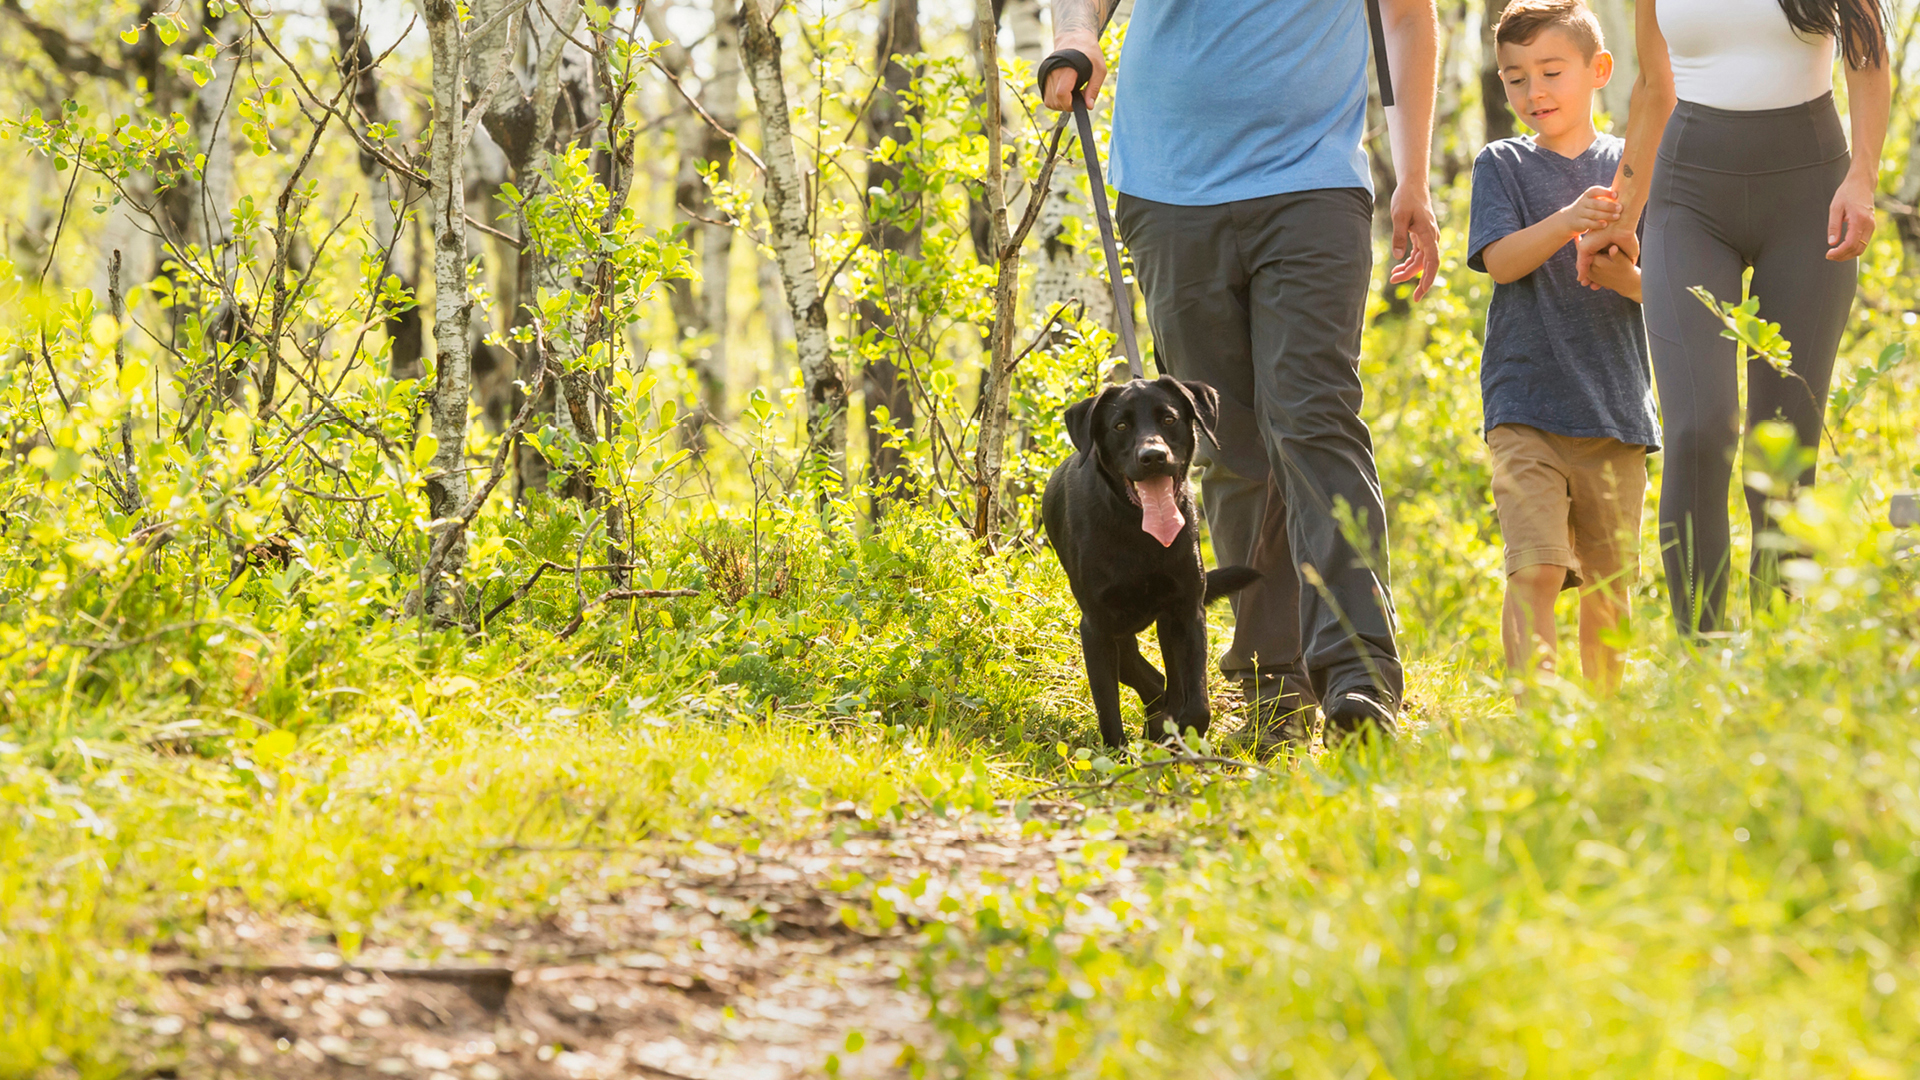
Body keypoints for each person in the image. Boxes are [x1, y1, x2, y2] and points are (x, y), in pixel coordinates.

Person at [1041, 0, 1440, 751]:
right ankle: (1270, 683)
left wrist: (1412, 176)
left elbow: (1408, 18)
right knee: (1227, 449)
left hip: (1313, 182)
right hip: (1168, 189)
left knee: (1314, 419)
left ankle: (1357, 676)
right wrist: (1076, 35)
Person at [1576, 0, 1890, 636]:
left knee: (1784, 444)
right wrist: (1620, 217)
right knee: (1697, 429)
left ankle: (1775, 655)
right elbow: (1654, 86)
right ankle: (1702, 659)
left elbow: (1867, 56)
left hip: (1811, 194)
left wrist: (1862, 177)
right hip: (1687, 197)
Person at [1467, 0, 1660, 694]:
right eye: (1515, 79)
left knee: (1609, 585)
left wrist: (1627, 278)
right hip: (1525, 405)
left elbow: (1665, 290)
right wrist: (1568, 219)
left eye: (1550, 72)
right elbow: (1501, 262)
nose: (1533, 92)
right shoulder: (1503, 163)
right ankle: (1536, 719)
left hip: (1616, 409)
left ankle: (1603, 728)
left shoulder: (1633, 167)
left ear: (1599, 70)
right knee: (1538, 567)